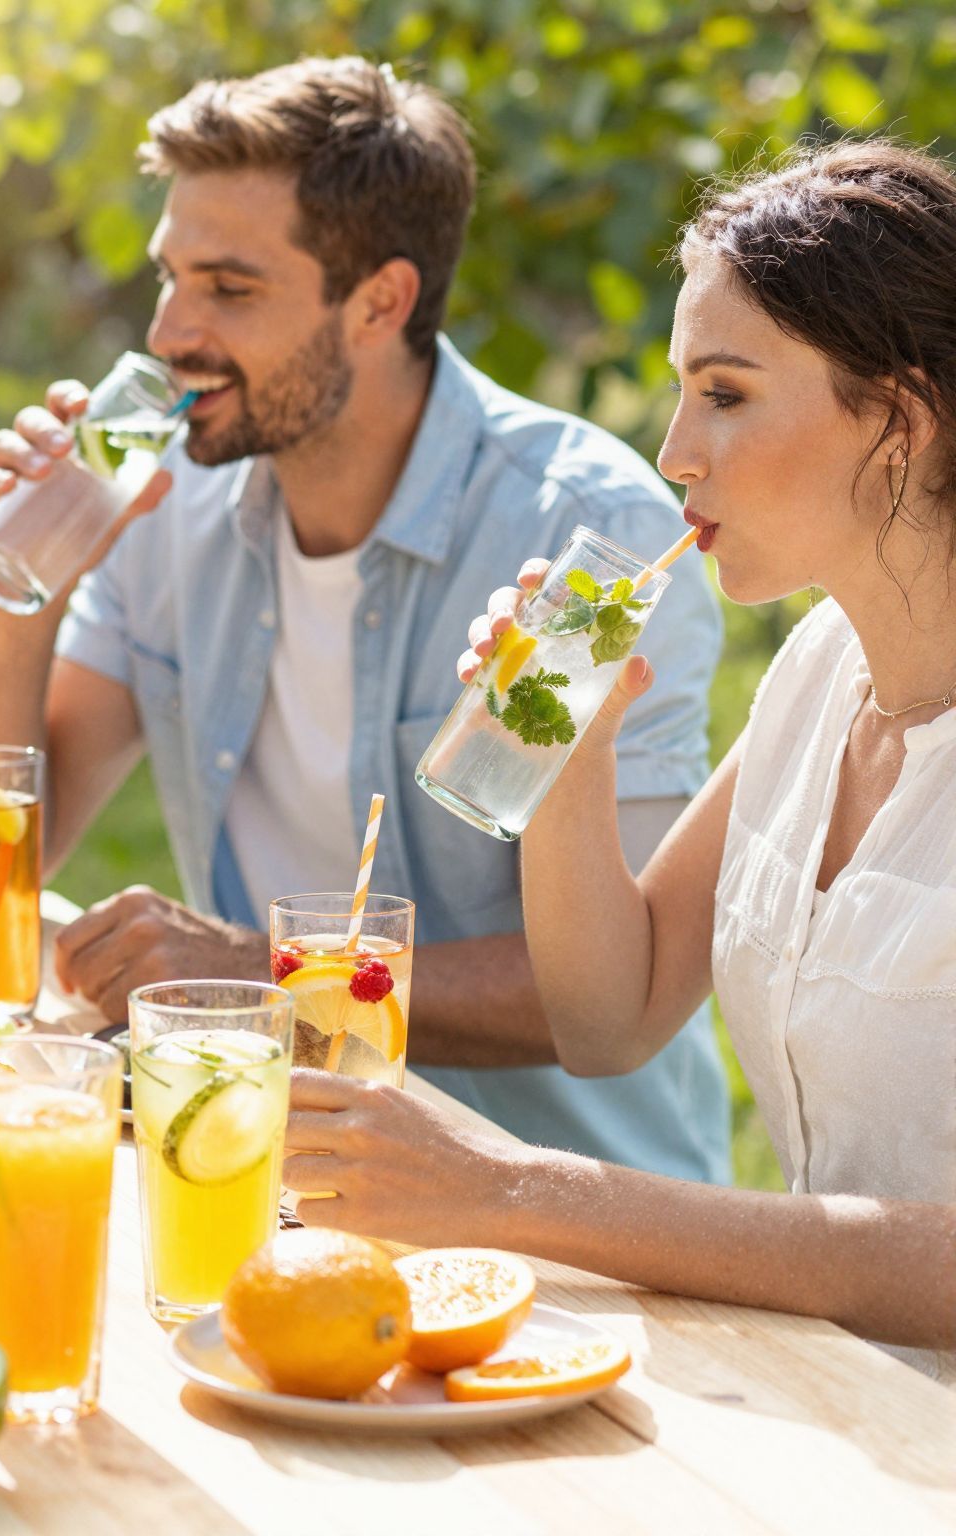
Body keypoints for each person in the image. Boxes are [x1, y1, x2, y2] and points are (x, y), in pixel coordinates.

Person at [0, 56, 730, 1182]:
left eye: (229, 289)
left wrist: (263, 971)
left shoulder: (586, 539)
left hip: (555, 1203)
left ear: (379, 302)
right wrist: (24, 583)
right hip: (266, 1165)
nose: (168, 332)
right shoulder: (162, 499)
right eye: (169, 279)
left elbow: (611, 984)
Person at [285, 140, 956, 1378]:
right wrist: (569, 754)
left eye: (725, 394)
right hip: (831, 1404)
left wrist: (513, 1192)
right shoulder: (817, 673)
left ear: (897, 421)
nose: (672, 453)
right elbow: (609, 1016)